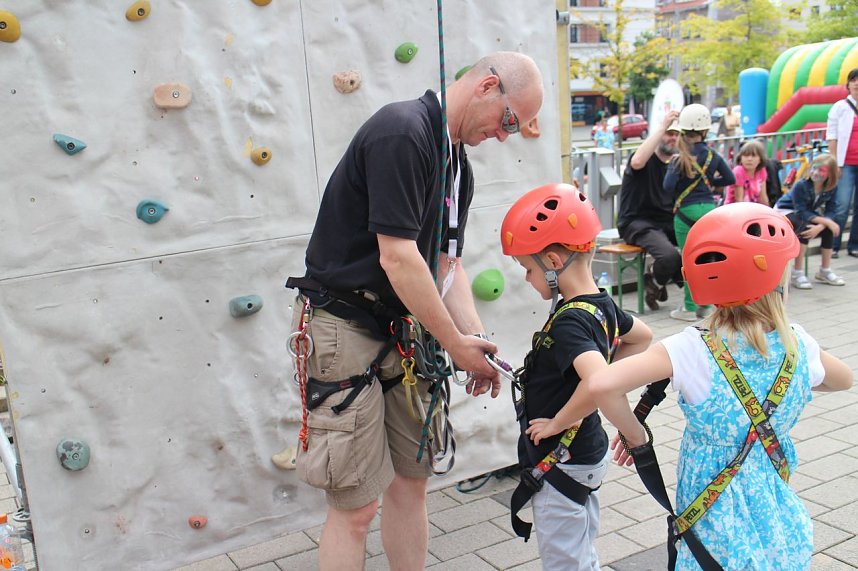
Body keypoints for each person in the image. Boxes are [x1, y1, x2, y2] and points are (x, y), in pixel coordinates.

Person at [287, 52, 544, 571]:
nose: (502, 136)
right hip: (345, 326)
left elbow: (446, 265)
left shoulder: (457, 167)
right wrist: (454, 345)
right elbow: (399, 258)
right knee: (356, 508)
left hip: (403, 334)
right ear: (487, 86)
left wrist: (475, 340)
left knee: (413, 484)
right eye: (509, 120)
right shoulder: (403, 132)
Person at [590, 202, 853, 570]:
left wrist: (636, 437)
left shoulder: (691, 347)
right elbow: (843, 380)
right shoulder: (799, 346)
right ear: (775, 280)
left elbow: (602, 385)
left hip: (710, 514)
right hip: (773, 513)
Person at [500, 183, 651, 570]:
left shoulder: (570, 322)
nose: (526, 279)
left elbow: (598, 382)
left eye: (528, 269)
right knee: (580, 546)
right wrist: (597, 381)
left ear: (553, 261)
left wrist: (558, 421)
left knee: (564, 560)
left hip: (562, 458)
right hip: (584, 451)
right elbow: (642, 338)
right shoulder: (601, 304)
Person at [664, 103, 735, 321]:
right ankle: (712, 305)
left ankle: (689, 308)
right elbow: (730, 179)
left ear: (683, 130)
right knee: (711, 259)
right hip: (710, 213)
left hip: (685, 214)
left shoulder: (679, 158)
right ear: (705, 130)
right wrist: (711, 183)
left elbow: (667, 186)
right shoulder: (713, 155)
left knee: (689, 261)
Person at [617, 109, 682, 311]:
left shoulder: (676, 165)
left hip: (665, 222)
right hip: (637, 222)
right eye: (668, 133)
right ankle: (655, 278)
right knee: (670, 257)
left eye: (676, 134)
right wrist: (663, 125)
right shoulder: (642, 160)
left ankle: (655, 281)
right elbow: (637, 162)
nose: (672, 138)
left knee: (699, 247)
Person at [775, 153, 845, 289]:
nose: (815, 172)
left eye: (821, 170)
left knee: (827, 229)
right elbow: (801, 211)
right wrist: (826, 222)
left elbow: (832, 210)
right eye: (814, 168)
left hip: (806, 214)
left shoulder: (832, 188)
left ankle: (824, 270)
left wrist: (821, 225)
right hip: (785, 212)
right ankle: (797, 271)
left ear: (830, 174)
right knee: (805, 227)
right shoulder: (801, 185)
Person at [825, 67, 858, 257]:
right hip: (845, 164)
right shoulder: (840, 107)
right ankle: (833, 246)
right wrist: (835, 163)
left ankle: (854, 245)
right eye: (853, 80)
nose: (856, 83)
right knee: (841, 205)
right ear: (848, 84)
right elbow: (832, 136)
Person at [724, 139, 770, 206]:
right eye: (746, 155)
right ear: (741, 158)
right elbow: (739, 201)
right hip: (735, 209)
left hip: (754, 208)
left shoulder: (762, 171)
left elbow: (763, 198)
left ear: (760, 159)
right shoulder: (738, 171)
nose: (749, 159)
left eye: (753, 156)